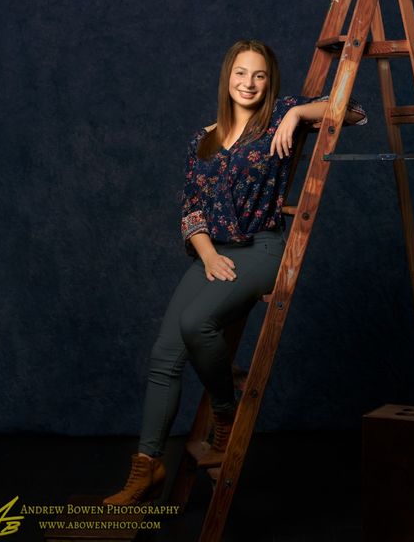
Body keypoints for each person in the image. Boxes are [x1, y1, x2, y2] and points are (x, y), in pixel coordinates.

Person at [103, 39, 367, 506]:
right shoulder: (202, 139)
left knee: (194, 324)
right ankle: (146, 469)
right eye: (241, 73)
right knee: (164, 355)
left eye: (259, 75)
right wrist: (206, 255)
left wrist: (299, 115)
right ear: (227, 78)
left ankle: (224, 411)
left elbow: (353, 111)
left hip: (261, 250)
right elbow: (191, 209)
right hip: (215, 252)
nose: (249, 83)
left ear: (270, 82)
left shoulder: (278, 117)